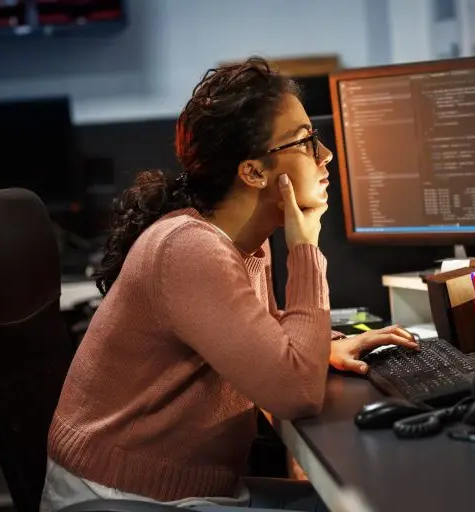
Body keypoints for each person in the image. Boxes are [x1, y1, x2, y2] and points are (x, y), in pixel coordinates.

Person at [40, 56, 419, 511]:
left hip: (178, 490)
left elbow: (258, 336)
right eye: (305, 142)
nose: (326, 155)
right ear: (253, 172)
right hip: (122, 497)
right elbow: (294, 393)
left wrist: (318, 348)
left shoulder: (243, 242)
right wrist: (306, 248)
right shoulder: (190, 249)